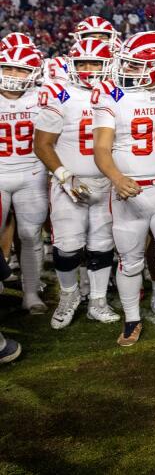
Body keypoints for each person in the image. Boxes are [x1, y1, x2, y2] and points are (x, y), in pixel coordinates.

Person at [92, 31, 155, 357]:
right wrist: (116, 177)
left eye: (137, 66)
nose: (128, 70)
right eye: (129, 64)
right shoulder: (110, 93)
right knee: (130, 260)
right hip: (130, 191)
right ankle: (132, 318)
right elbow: (101, 147)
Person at [34, 37, 120, 329]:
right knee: (67, 246)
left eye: (94, 62)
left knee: (102, 245)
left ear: (107, 64)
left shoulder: (119, 92)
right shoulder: (59, 93)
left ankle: (97, 300)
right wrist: (63, 175)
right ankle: (69, 296)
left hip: (107, 183)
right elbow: (42, 144)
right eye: (82, 62)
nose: (87, 68)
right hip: (69, 183)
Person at [0, 36, 49, 314]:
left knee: (31, 235)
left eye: (20, 69)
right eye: (8, 67)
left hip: (32, 173)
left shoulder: (43, 96)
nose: (13, 75)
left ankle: (30, 293)